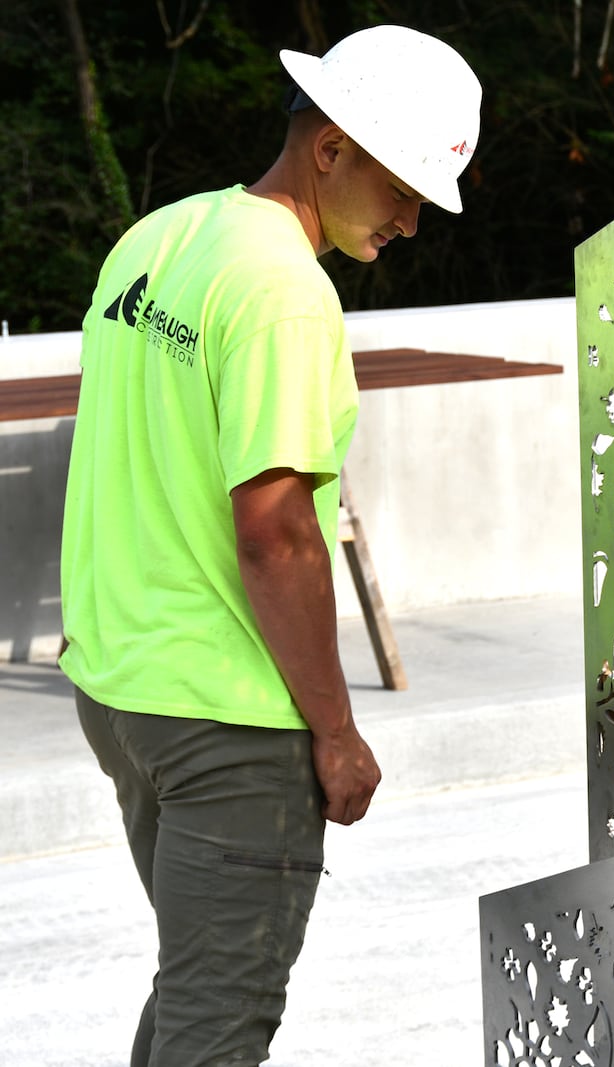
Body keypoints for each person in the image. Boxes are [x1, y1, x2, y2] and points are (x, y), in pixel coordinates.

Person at [58, 25, 481, 1066]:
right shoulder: (286, 294)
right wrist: (334, 732)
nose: (412, 222)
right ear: (329, 147)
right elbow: (279, 532)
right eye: (403, 188)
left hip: (123, 690)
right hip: (226, 722)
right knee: (220, 1022)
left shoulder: (158, 238)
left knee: (193, 989)